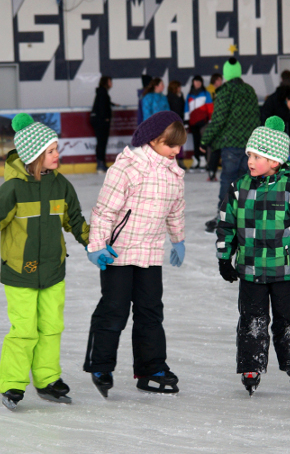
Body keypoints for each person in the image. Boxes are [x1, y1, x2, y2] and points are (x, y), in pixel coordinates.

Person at [0, 113, 90, 410]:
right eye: (52, 151)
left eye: (57, 149)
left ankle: (47, 380)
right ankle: (14, 384)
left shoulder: (61, 185)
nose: (58, 155)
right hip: (20, 272)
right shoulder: (13, 190)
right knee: (24, 330)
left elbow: (76, 221)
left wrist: (92, 244)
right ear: (34, 155)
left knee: (52, 326)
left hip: (54, 269)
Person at [83, 111, 187, 397]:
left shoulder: (174, 174)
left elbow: (175, 210)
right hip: (119, 252)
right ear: (153, 141)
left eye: (180, 145)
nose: (177, 151)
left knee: (150, 312)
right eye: (171, 145)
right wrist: (97, 246)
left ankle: (151, 368)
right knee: (114, 309)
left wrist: (178, 239)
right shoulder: (127, 168)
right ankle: (100, 364)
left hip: (150, 253)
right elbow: (104, 212)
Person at [217, 116, 290, 395]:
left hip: (286, 270)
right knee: (252, 319)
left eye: (258, 156)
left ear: (275, 161)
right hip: (250, 270)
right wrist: (223, 256)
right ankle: (251, 365)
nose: (251, 160)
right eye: (250, 154)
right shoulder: (238, 189)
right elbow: (226, 224)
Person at [201, 58, 260, 234]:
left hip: (232, 146)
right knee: (246, 180)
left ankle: (224, 217)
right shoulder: (249, 90)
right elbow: (256, 117)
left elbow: (218, 120)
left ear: (226, 74)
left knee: (228, 179)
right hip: (249, 145)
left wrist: (205, 140)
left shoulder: (225, 92)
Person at [90, 75, 117, 174]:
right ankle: (100, 165)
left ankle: (101, 163)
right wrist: (105, 118)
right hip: (100, 122)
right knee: (102, 142)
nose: (111, 84)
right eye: (110, 81)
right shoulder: (103, 92)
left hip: (99, 121)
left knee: (101, 142)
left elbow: (104, 103)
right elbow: (102, 106)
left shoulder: (102, 92)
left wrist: (112, 104)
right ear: (106, 82)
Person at [186, 75, 213, 171]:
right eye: (195, 81)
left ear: (201, 83)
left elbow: (210, 108)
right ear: (193, 83)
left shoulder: (206, 94)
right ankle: (197, 159)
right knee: (195, 141)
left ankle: (203, 160)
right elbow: (187, 109)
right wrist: (186, 122)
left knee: (203, 142)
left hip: (203, 123)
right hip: (193, 123)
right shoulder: (189, 95)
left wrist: (210, 120)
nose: (197, 83)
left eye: (199, 81)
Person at [205, 73, 224, 181]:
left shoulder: (220, 90)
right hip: (215, 121)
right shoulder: (210, 91)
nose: (220, 82)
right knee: (216, 146)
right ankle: (212, 168)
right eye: (219, 80)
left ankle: (212, 169)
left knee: (216, 146)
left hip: (216, 120)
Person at [166, 80, 187, 170]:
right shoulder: (169, 97)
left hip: (180, 122)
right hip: (172, 123)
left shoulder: (180, 96)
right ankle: (171, 161)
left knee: (179, 142)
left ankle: (180, 160)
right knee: (172, 142)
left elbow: (183, 109)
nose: (180, 89)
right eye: (178, 87)